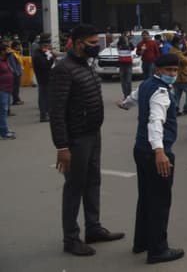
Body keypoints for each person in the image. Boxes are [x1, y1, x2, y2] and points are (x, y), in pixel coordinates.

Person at [49, 24, 125, 256]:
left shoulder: (86, 64)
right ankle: (71, 239)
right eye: (92, 43)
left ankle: (93, 228)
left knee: (93, 182)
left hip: (93, 133)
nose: (96, 46)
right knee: (74, 187)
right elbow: (57, 112)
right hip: (76, 139)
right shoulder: (64, 69)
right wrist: (62, 146)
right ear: (78, 43)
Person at [131, 53, 185, 264]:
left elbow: (135, 96)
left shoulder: (147, 84)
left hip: (140, 149)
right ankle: (158, 250)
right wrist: (160, 152)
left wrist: (124, 103)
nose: (172, 74)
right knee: (160, 202)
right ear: (158, 70)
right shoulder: (161, 92)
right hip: (156, 152)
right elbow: (155, 122)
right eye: (168, 70)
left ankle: (142, 241)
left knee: (146, 197)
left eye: (175, 70)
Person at [31, 33, 57, 122]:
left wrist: (50, 55)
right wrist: (52, 58)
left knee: (47, 96)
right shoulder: (37, 55)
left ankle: (47, 112)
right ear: (41, 45)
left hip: (47, 77)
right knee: (44, 97)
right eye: (46, 46)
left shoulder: (43, 53)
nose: (48, 47)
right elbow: (45, 65)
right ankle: (43, 114)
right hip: (43, 78)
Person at [169, 35, 187, 116]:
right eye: (180, 43)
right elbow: (186, 61)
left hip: (175, 76)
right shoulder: (177, 52)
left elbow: (181, 55)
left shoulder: (173, 50)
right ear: (176, 43)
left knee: (177, 93)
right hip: (182, 76)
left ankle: (175, 108)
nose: (181, 44)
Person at [0, 43, 16, 139]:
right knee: (3, 110)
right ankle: (4, 131)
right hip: (2, 89)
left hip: (7, 88)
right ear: (2, 51)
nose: (8, 51)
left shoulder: (5, 60)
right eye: (7, 50)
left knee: (4, 110)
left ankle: (4, 128)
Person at [117, 35, 134, 100]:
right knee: (123, 81)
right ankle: (125, 95)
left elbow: (132, 48)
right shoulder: (119, 45)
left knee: (128, 81)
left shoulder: (129, 44)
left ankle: (129, 95)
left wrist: (129, 41)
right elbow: (122, 45)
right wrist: (127, 40)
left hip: (128, 64)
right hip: (121, 65)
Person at [8, 40, 23, 106]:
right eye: (18, 46)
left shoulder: (16, 53)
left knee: (17, 87)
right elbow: (13, 64)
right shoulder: (12, 54)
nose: (19, 47)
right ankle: (15, 100)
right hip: (16, 73)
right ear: (14, 47)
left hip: (18, 72)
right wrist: (16, 72)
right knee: (15, 87)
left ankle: (17, 98)